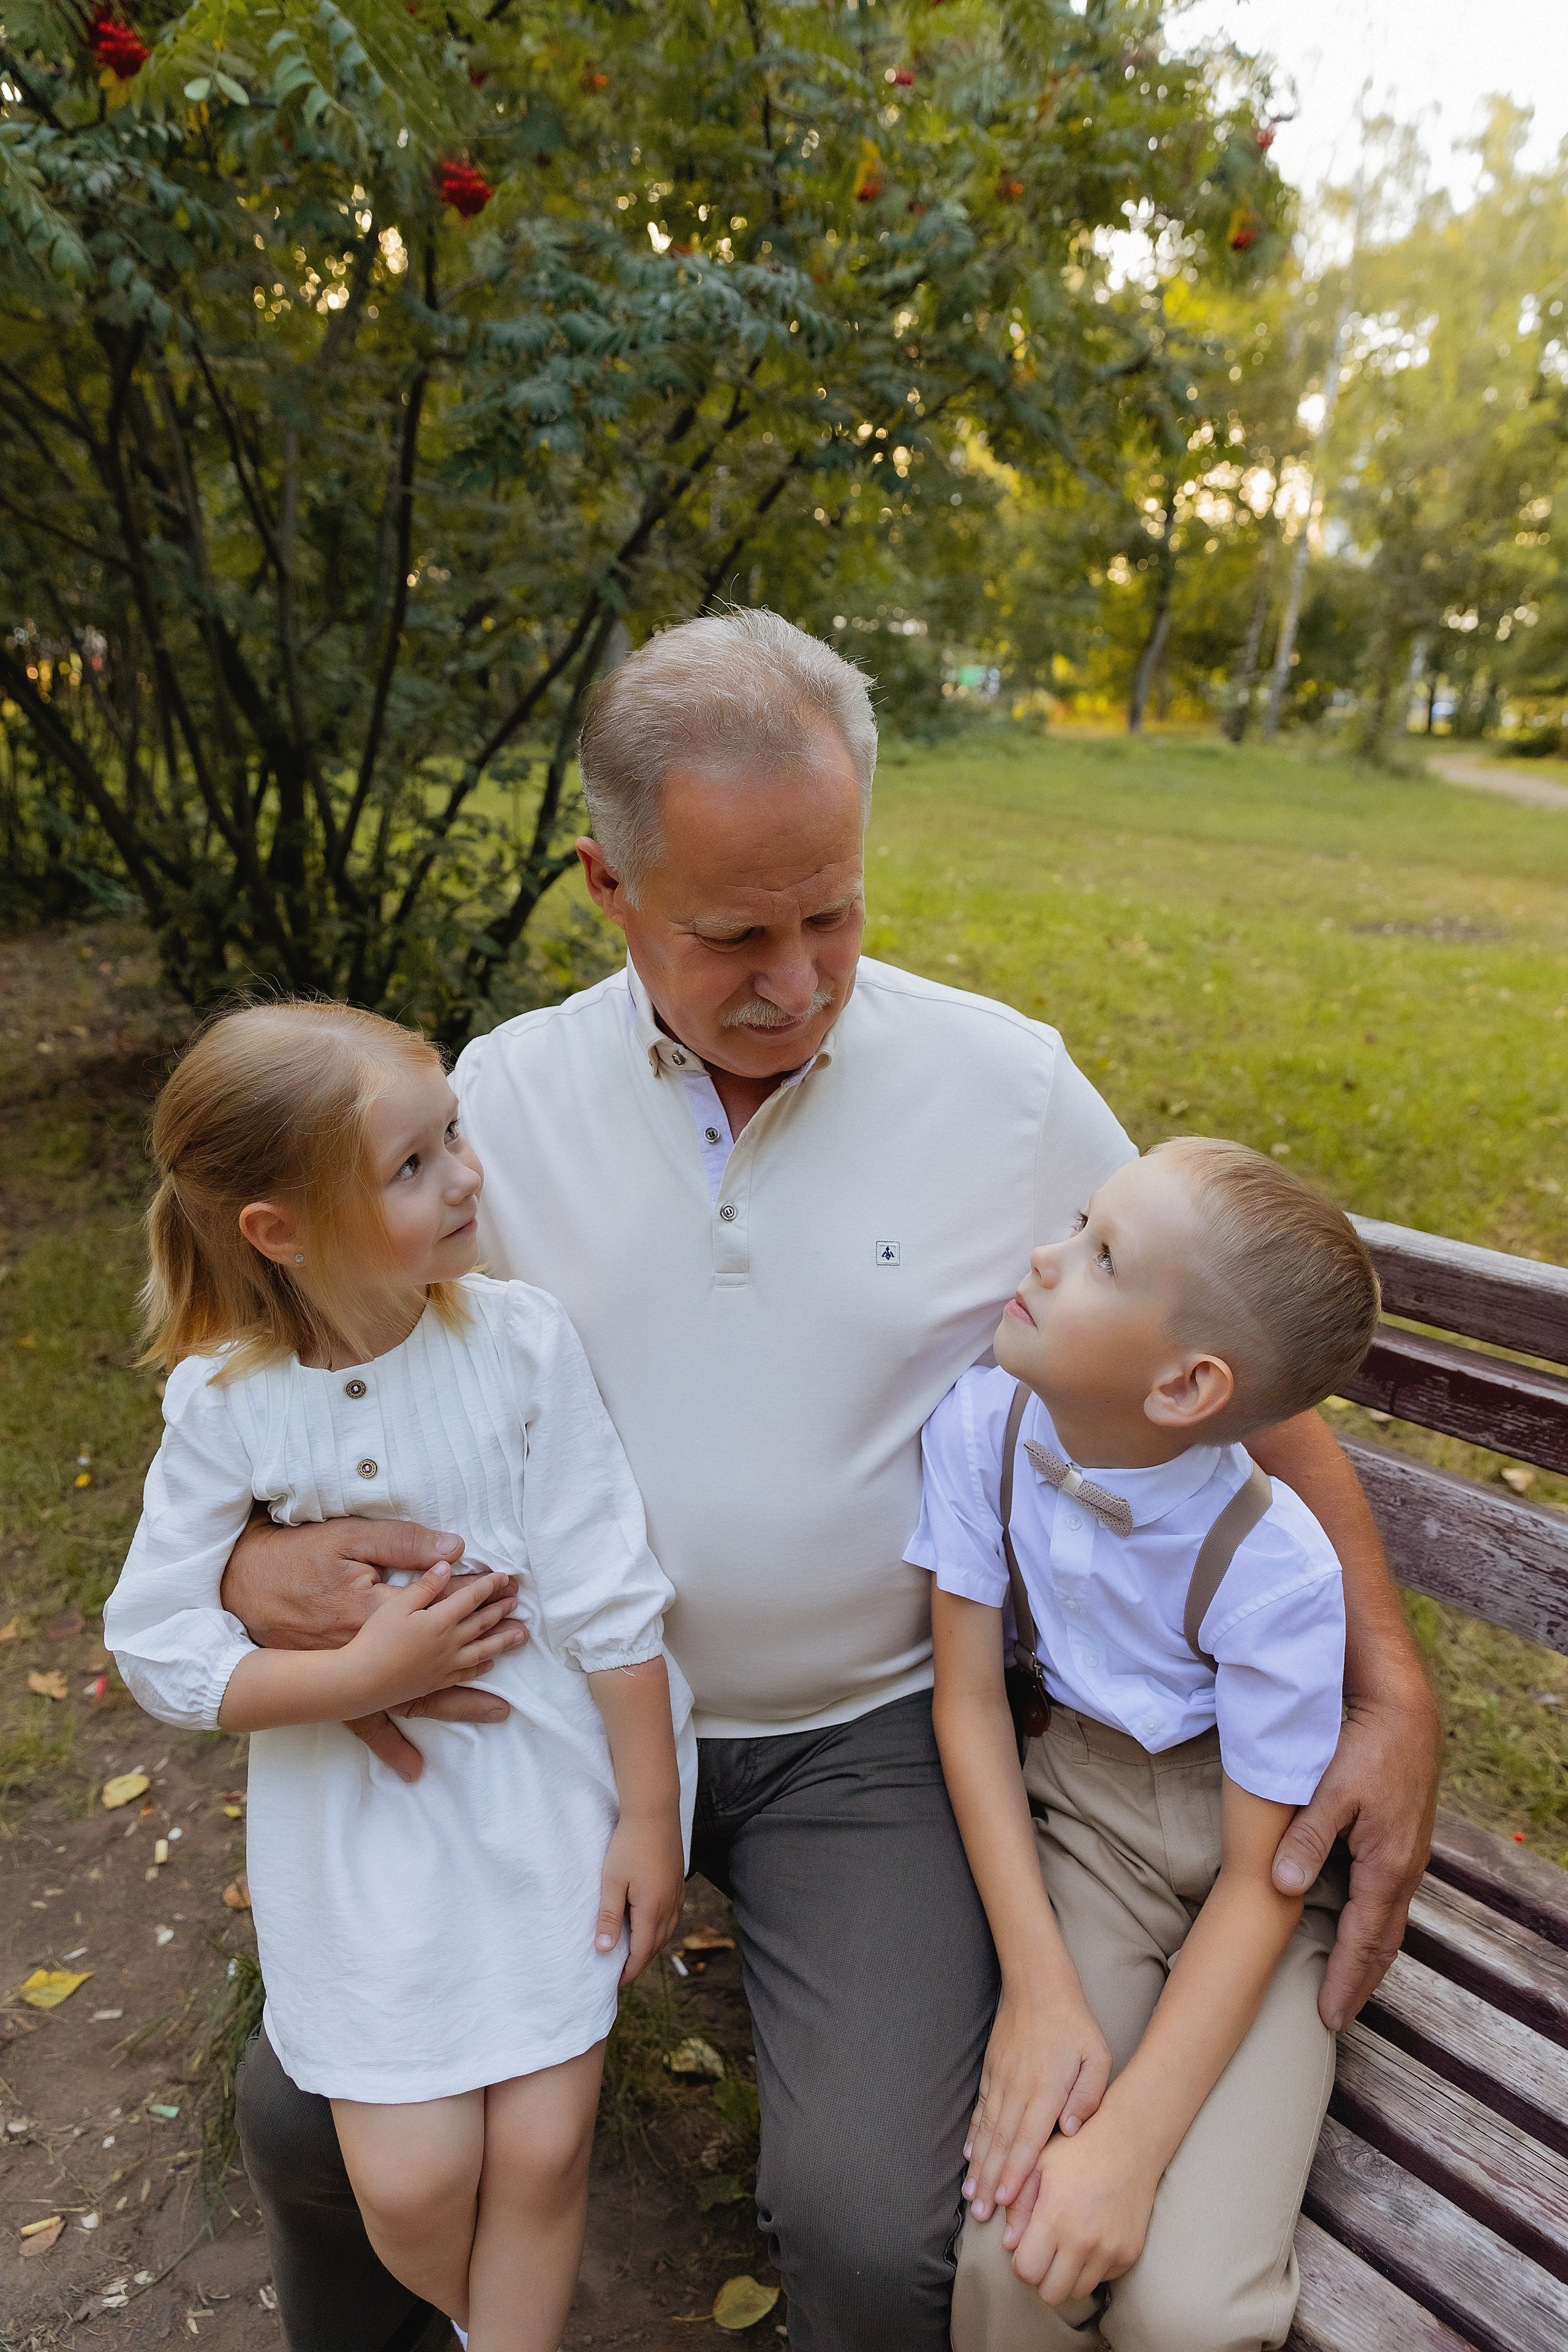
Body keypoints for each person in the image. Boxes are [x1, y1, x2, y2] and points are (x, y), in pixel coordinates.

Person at [218, 610, 1441, 2352]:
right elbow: (328, 1352)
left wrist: (1387, 1688)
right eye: (735, 932)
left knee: (880, 2237)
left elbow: (1230, 1392)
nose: (796, 977)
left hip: (866, 1738)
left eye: (834, 913)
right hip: (563, 1706)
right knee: (303, 2119)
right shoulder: (498, 1098)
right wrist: (257, 1561)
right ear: (610, 888)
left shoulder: (1003, 1089)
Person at [104, 1003, 695, 2352]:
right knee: (416, 2185)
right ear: (280, 1230)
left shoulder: (521, 1343)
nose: (467, 1177)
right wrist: (356, 1674)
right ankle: (480, 2318)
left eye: (455, 1140)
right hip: (359, 1837)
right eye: (413, 1166)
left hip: (551, 1785)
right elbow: (155, 1641)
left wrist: (649, 1816)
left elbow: (608, 1591)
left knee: (542, 2158)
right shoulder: (227, 1404)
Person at [912, 1139, 1381, 2350]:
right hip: (1082, 1828)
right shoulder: (978, 1433)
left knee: (1185, 2310)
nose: (1043, 1255)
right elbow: (967, 1703)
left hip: (1258, 1892)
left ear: (1181, 1388)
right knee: (1015, 2250)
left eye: (1098, 1256)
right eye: (1078, 1223)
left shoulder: (1273, 1570)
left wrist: (1124, 2147)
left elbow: (1259, 1881)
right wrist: (1037, 1988)